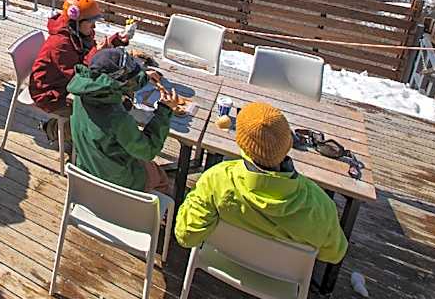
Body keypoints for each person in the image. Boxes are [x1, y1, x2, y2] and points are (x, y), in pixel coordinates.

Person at [175, 102, 348, 264]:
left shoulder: (216, 180)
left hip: (222, 261)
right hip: (280, 277)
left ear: (242, 144)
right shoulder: (321, 205)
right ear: (288, 143)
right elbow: (334, 254)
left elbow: (186, 236)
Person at [67, 48, 179, 193]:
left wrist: (144, 77)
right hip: (117, 179)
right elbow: (149, 150)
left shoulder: (82, 94)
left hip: (87, 167)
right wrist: (164, 109)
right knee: (160, 178)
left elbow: (115, 84)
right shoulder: (116, 118)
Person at [30, 0, 128, 144]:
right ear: (76, 21)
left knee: (106, 106)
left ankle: (70, 133)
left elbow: (86, 58)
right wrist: (98, 52)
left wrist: (113, 42)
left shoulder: (77, 32)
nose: (94, 27)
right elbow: (79, 77)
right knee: (97, 114)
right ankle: (53, 130)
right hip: (50, 94)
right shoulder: (60, 44)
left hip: (63, 84)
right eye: (91, 22)